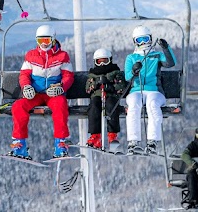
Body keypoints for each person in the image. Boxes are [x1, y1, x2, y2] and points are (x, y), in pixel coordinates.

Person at [9, 24, 74, 159]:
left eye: (46, 40)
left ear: (53, 39)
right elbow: (24, 75)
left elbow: (68, 76)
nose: (44, 44)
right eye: (40, 40)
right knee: (18, 106)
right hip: (35, 94)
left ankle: (60, 143)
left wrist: (61, 87)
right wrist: (26, 87)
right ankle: (19, 144)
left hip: (52, 94)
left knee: (60, 106)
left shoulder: (62, 56)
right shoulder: (31, 55)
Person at [125, 25, 176, 156]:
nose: (143, 43)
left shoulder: (156, 56)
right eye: (139, 40)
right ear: (135, 41)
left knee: (152, 104)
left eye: (145, 39)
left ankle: (152, 141)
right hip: (136, 91)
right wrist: (134, 71)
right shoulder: (131, 58)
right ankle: (133, 141)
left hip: (155, 91)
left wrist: (166, 48)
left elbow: (170, 63)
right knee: (134, 104)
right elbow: (127, 77)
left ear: (150, 39)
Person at [84, 47, 125, 151]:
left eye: (105, 61)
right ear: (95, 62)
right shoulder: (93, 74)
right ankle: (95, 135)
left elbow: (121, 86)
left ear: (110, 60)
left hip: (111, 96)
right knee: (94, 108)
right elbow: (87, 89)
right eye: (99, 62)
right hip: (97, 96)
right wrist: (95, 84)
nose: (102, 64)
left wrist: (111, 87)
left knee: (112, 106)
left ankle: (112, 135)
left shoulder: (115, 72)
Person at [178, 128, 198, 208]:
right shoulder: (193, 145)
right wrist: (193, 164)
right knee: (191, 174)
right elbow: (184, 155)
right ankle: (193, 200)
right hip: (195, 172)